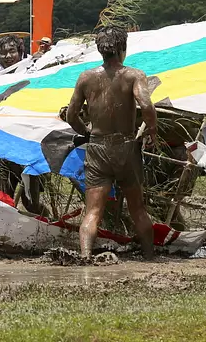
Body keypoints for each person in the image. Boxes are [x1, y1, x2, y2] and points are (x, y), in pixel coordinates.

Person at [66, 26, 157, 261]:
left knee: (93, 210)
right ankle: (149, 256)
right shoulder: (133, 75)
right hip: (126, 147)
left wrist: (85, 132)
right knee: (138, 208)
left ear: (100, 50)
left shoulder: (86, 78)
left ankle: (86, 256)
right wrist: (152, 132)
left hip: (97, 149)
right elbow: (147, 106)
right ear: (122, 49)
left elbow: (71, 114)